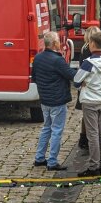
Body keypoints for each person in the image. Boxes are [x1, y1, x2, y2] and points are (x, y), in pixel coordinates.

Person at [31, 31, 76, 171]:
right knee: (56, 130)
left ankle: (39, 158)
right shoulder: (57, 60)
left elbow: (35, 77)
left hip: (45, 99)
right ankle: (52, 161)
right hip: (57, 100)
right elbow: (71, 75)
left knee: (46, 128)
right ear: (55, 43)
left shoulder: (38, 58)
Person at [72, 31, 101, 177]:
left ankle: (94, 166)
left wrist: (84, 83)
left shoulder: (88, 62)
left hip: (89, 100)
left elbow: (76, 80)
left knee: (92, 134)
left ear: (92, 44)